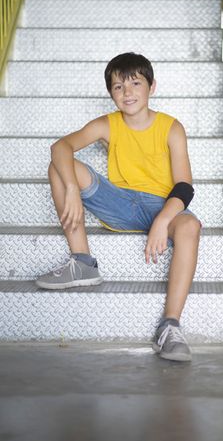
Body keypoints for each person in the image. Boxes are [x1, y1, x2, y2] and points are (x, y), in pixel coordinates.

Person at [36, 52, 202, 362]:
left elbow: (184, 186)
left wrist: (163, 220)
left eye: (135, 83)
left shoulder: (171, 127)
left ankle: (170, 326)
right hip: (120, 203)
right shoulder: (108, 124)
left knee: (190, 226)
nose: (126, 93)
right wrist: (73, 188)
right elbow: (60, 147)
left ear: (151, 87)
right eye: (117, 87)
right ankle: (82, 260)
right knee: (59, 166)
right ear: (111, 94)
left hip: (163, 205)